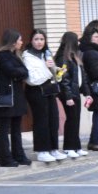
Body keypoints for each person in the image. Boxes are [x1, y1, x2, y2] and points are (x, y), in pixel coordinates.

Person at [22, 29, 67, 162]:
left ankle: (53, 148)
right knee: (41, 120)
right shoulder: (27, 56)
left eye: (42, 39)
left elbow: (51, 73)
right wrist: (46, 67)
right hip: (36, 91)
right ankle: (42, 150)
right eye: (36, 39)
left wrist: (57, 70)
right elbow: (32, 78)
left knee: (53, 119)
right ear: (31, 40)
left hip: (49, 89)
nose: (39, 42)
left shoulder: (46, 54)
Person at [0, 29, 30, 167]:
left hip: (17, 96)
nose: (21, 42)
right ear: (13, 42)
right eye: (19, 40)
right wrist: (19, 73)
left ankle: (19, 155)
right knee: (4, 130)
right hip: (6, 97)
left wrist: (19, 73)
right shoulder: (2, 55)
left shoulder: (16, 56)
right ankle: (5, 158)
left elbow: (25, 72)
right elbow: (12, 71)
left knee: (16, 129)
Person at [55, 32, 93, 158]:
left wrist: (87, 93)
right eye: (77, 40)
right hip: (69, 94)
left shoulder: (75, 57)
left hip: (75, 93)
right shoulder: (63, 57)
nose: (79, 43)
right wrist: (68, 96)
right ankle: (68, 147)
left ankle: (76, 146)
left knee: (76, 120)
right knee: (71, 120)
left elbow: (83, 77)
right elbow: (63, 78)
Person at [80, 20, 98, 151]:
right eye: (96, 37)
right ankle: (96, 141)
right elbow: (96, 72)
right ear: (90, 38)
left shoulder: (95, 51)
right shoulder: (91, 53)